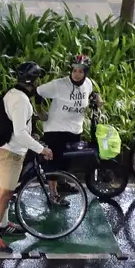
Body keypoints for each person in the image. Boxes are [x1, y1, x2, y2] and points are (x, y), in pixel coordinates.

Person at [0, 62, 54, 255]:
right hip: (10, 152)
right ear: (32, 81)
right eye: (37, 79)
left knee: (8, 191)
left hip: (12, 149)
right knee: (5, 194)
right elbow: (20, 133)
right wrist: (42, 149)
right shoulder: (21, 100)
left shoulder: (14, 94)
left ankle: (4, 225)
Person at [36, 54, 99, 203]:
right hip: (56, 129)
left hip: (75, 129)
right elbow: (38, 91)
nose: (77, 74)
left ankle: (62, 183)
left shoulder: (88, 83)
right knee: (54, 161)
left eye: (81, 71)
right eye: (74, 70)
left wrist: (97, 97)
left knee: (67, 161)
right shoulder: (59, 85)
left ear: (86, 73)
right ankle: (53, 193)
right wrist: (39, 110)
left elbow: (91, 93)